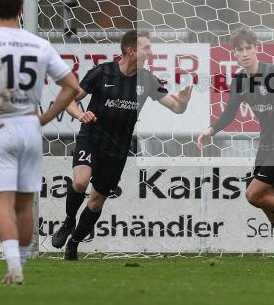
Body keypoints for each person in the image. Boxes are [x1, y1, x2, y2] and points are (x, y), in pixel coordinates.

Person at [0, 0, 80, 284]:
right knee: (25, 204)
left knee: (3, 202)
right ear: (22, 10)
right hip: (29, 126)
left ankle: (14, 267)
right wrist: (45, 117)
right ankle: (21, 264)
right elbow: (72, 87)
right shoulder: (39, 45)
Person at [50, 30, 193, 260]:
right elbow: (69, 101)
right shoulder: (102, 72)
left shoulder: (147, 80)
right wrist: (80, 115)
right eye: (146, 48)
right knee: (80, 181)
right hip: (92, 139)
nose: (150, 52)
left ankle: (74, 244)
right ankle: (68, 221)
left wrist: (183, 104)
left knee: (95, 204)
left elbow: (175, 108)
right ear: (131, 50)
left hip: (117, 149)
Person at [197, 28, 274, 256]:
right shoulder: (239, 81)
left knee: (253, 194)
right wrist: (210, 129)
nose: (245, 53)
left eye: (248, 48)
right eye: (240, 49)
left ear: (256, 49)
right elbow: (230, 113)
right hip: (266, 144)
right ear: (235, 54)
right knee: (265, 199)